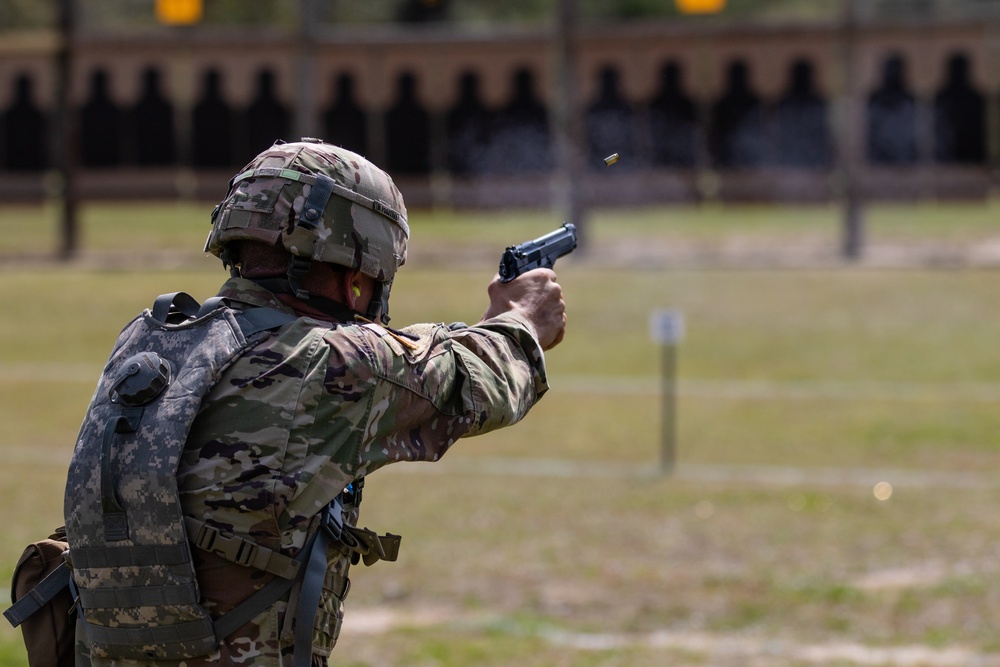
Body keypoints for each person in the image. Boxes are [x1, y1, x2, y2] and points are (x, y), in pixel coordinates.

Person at [70, 138, 566, 666]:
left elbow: (382, 356)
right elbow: (479, 380)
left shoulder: (153, 343)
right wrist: (522, 320)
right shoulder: (333, 365)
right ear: (357, 278)